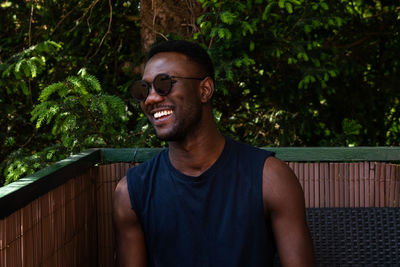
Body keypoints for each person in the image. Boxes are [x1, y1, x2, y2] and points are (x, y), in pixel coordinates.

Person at [113, 40, 315, 267]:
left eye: (164, 84)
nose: (151, 98)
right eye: (144, 89)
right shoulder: (131, 192)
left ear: (205, 90)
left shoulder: (270, 179)